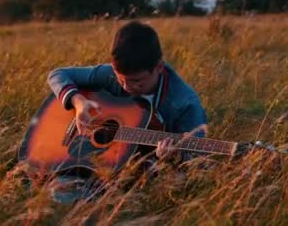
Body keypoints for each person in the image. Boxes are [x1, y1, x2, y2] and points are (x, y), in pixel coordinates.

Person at [46, 20, 208, 202]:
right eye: (120, 79)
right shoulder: (111, 74)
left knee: (176, 184)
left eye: (136, 81)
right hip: (104, 161)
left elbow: (197, 160)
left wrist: (174, 157)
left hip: (145, 168)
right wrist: (79, 102)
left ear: (159, 67)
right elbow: (57, 75)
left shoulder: (186, 103)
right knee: (58, 191)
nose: (126, 86)